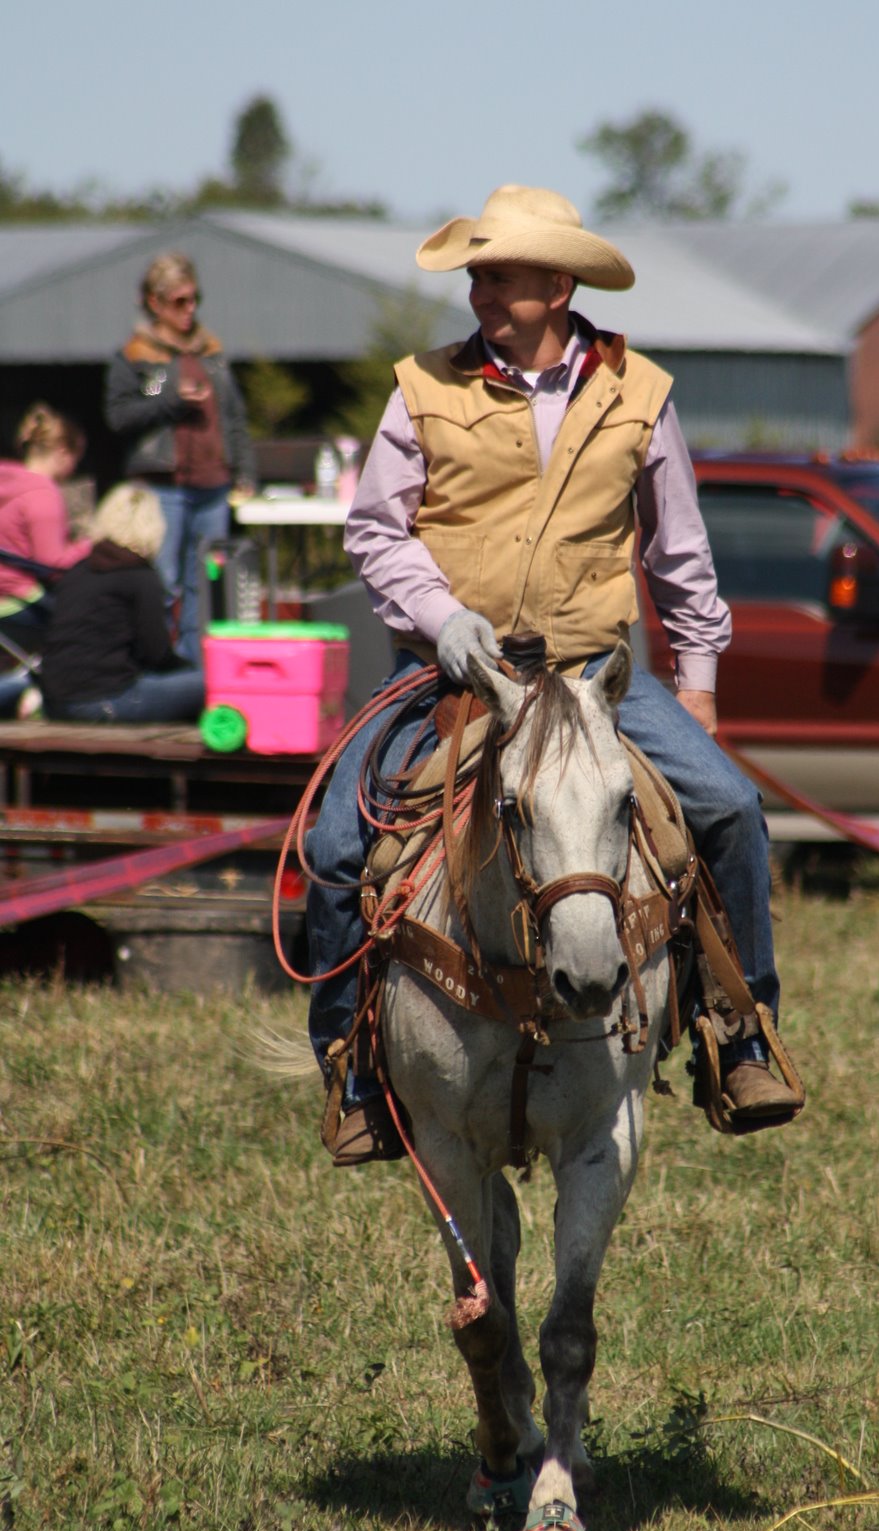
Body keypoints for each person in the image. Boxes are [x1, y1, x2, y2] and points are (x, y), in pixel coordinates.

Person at [305, 184, 801, 1156]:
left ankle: (737, 1032)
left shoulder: (639, 396)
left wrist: (695, 684)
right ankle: (353, 1067)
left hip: (590, 674)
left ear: (559, 284)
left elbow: (680, 558)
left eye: (501, 276)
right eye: (477, 275)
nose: (481, 293)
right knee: (330, 846)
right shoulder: (423, 388)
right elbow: (374, 529)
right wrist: (442, 618)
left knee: (730, 812)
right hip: (450, 673)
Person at [104, 252, 256, 666]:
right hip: (163, 488)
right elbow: (118, 417)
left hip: (213, 486)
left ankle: (192, 673)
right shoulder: (134, 355)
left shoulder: (211, 352)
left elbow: (234, 417)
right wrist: (171, 401)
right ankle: (156, 665)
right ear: (155, 303)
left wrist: (245, 471)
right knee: (162, 582)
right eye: (179, 301)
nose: (189, 310)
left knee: (203, 587)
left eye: (194, 299)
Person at [40, 482, 205, 724]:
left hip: (55, 702)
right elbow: (157, 655)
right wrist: (186, 668)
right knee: (209, 684)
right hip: (104, 701)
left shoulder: (79, 570)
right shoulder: (140, 576)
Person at [0, 403, 91, 661]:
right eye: (76, 459)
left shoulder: (7, 479)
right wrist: (89, 545)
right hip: (16, 601)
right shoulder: (43, 494)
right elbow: (53, 565)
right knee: (93, 621)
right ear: (63, 452)